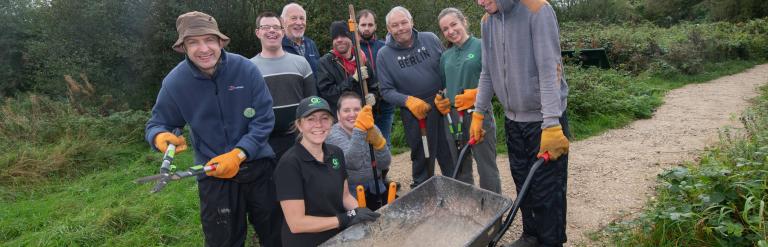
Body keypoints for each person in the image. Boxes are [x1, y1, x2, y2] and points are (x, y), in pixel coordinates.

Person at [145, 11, 281, 246]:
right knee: (222, 240)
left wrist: (239, 154)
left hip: (258, 167)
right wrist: (160, 137)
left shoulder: (245, 69)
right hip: (213, 174)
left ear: (220, 41)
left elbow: (264, 119)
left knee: (275, 234)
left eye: (209, 40)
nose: (203, 48)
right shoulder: (175, 82)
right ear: (183, 48)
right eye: (193, 42)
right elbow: (158, 123)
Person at [473, 0, 571, 246]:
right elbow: (487, 72)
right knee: (523, 184)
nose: (480, 2)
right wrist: (479, 113)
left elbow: (550, 69)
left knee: (547, 191)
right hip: (513, 120)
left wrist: (550, 123)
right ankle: (531, 237)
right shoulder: (487, 21)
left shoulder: (537, 9)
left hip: (544, 121)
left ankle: (551, 241)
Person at [274, 96, 381, 246]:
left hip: (339, 236)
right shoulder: (289, 164)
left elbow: (345, 196)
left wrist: (361, 212)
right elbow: (297, 223)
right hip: (307, 242)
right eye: (310, 119)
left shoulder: (335, 153)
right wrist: (346, 218)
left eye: (324, 118)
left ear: (332, 122)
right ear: (299, 125)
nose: (318, 124)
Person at [376, 6, 454, 189]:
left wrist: (448, 92)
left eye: (404, 22)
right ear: (388, 29)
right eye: (395, 25)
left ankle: (455, 187)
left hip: (441, 104)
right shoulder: (384, 55)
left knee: (449, 151)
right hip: (415, 112)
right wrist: (407, 101)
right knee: (422, 154)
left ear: (412, 22)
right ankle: (423, 191)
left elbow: (447, 66)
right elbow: (386, 91)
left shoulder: (430, 38)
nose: (401, 28)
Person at [436, 7, 501, 193]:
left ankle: (493, 215)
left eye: (454, 24)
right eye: (445, 29)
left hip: (478, 114)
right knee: (461, 168)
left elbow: (498, 81)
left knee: (486, 168)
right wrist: (442, 99)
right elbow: (445, 84)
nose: (450, 31)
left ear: (464, 21)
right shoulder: (445, 56)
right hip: (453, 118)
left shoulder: (482, 46)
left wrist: (477, 93)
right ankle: (469, 212)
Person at [251, 12, 317, 160]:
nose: (272, 31)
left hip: (299, 139)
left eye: (276, 27)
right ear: (258, 32)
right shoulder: (249, 68)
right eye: (266, 27)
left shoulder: (301, 63)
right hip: (264, 142)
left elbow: (312, 102)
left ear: (282, 32)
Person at [325, 92, 391, 209]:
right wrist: (360, 130)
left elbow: (385, 163)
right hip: (351, 196)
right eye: (346, 110)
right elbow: (353, 163)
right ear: (338, 115)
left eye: (357, 109)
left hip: (377, 187)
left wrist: (380, 144)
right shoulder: (333, 135)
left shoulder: (372, 128)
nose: (352, 114)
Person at [316, 21, 378, 113]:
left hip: (363, 116)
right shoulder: (325, 63)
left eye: (343, 36)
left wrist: (373, 96)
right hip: (340, 120)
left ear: (351, 39)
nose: (339, 40)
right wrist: (353, 79)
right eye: (335, 37)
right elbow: (328, 94)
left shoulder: (362, 60)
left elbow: (374, 86)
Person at [357, 9, 395, 144]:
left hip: (385, 104)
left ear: (375, 26)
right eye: (363, 25)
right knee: (364, 147)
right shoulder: (353, 49)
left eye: (370, 25)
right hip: (363, 106)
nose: (367, 28)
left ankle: (384, 166)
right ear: (357, 26)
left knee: (384, 143)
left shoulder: (385, 47)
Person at [281, 3, 320, 78]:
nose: (299, 23)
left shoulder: (311, 44)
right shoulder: (278, 47)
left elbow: (319, 74)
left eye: (302, 18)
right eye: (294, 18)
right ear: (282, 21)